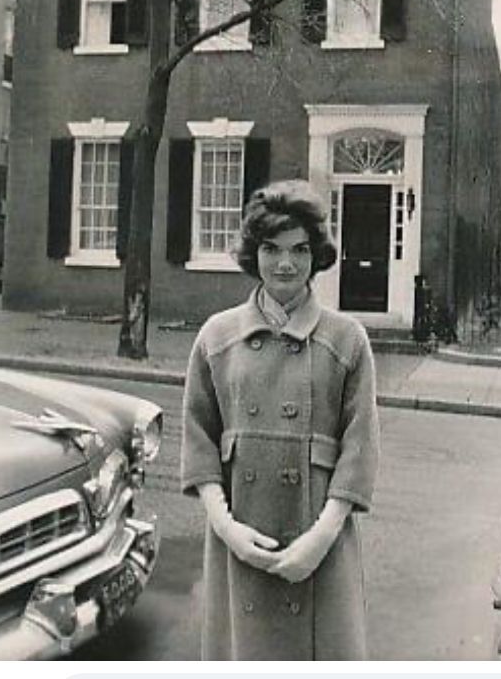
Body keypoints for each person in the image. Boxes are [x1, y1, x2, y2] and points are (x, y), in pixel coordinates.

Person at [180, 179, 379, 660]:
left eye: (299, 249)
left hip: (320, 550)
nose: (285, 263)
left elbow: (359, 451)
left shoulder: (347, 340)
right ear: (254, 254)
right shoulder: (217, 336)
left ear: (317, 256)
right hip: (239, 542)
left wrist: (319, 540)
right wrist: (227, 530)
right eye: (271, 248)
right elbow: (199, 439)